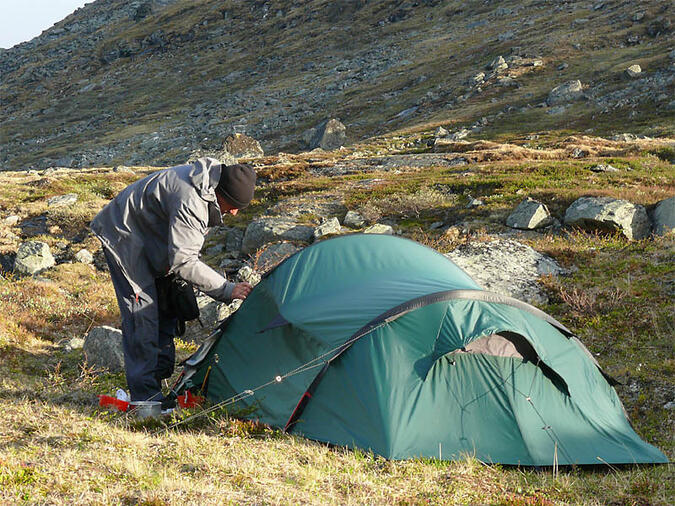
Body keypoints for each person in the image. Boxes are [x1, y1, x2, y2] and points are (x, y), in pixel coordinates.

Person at [91, 157, 256, 407]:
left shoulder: (208, 189)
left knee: (170, 303)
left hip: (153, 239)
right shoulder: (192, 199)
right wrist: (226, 289)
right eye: (232, 205)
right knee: (142, 312)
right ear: (221, 193)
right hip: (124, 236)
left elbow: (182, 252)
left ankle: (157, 385)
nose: (233, 213)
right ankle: (145, 397)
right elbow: (184, 262)